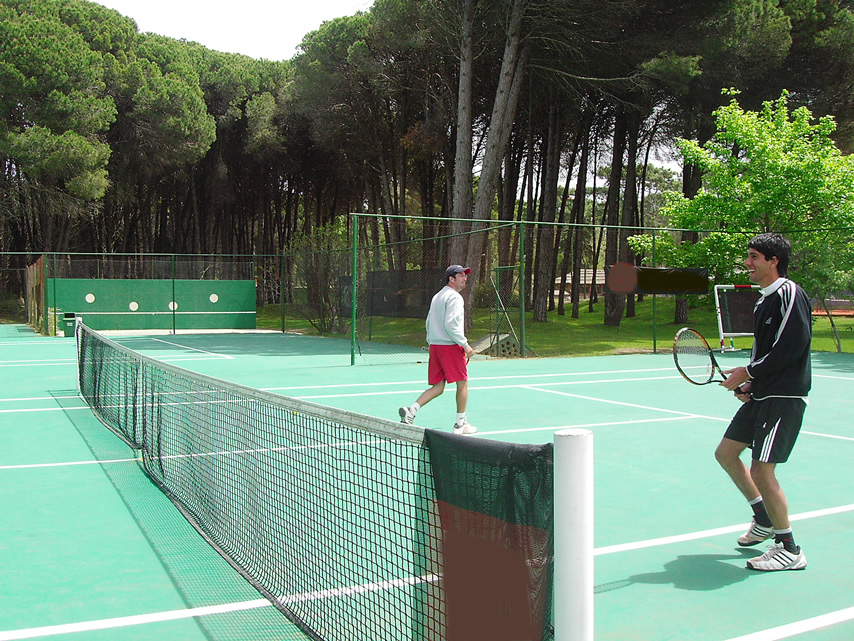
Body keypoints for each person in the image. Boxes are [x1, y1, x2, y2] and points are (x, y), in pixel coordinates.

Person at [718, 233, 812, 571]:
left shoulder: (789, 293)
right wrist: (751, 383)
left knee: (761, 468)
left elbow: (793, 346)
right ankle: (763, 517)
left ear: (774, 261)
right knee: (726, 453)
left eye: (754, 257)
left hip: (784, 397)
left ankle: (789, 548)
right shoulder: (762, 302)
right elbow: (766, 353)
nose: (748, 263)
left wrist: (749, 372)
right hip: (764, 394)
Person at [398, 265, 477, 435]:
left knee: (438, 387)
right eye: (461, 275)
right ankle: (460, 425)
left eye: (465, 275)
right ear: (451, 279)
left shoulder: (437, 296)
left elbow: (428, 322)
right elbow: (451, 324)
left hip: (435, 347)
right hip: (450, 346)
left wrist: (431, 341)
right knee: (462, 383)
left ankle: (412, 410)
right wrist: (465, 344)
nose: (465, 278)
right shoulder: (455, 297)